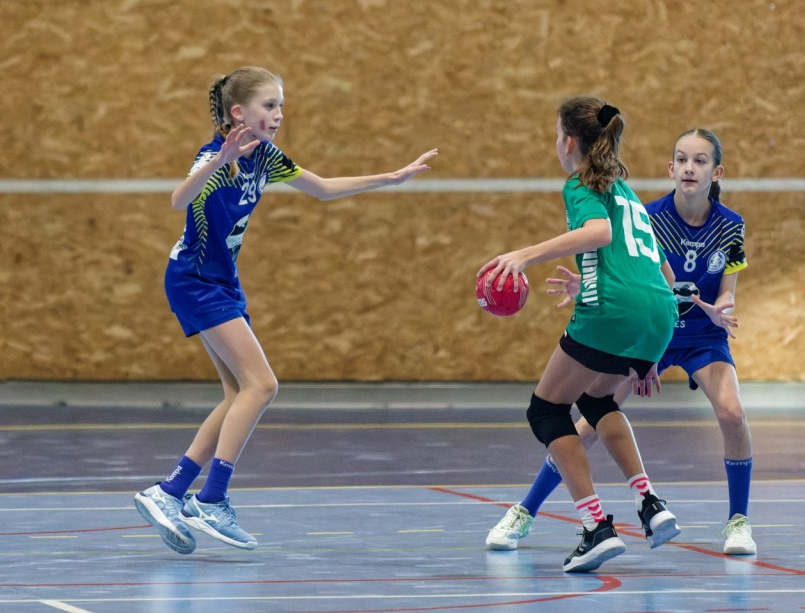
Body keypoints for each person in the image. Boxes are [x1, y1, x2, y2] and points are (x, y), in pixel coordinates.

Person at [133, 66, 437, 553]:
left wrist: (391, 177)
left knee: (238, 393)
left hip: (221, 282)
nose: (278, 115)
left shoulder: (266, 157)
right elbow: (178, 199)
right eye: (269, 105)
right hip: (195, 281)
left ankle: (169, 491)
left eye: (280, 106)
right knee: (263, 385)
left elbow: (322, 188)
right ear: (239, 113)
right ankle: (211, 499)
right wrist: (218, 161)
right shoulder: (216, 156)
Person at [485, 127, 757, 556]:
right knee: (589, 422)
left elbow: (727, 291)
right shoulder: (648, 215)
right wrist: (586, 286)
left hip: (699, 334)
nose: (689, 168)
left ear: (716, 172)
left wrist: (721, 306)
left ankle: (738, 521)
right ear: (670, 168)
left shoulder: (730, 226)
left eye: (700, 161)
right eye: (682, 159)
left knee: (733, 414)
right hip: (651, 332)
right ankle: (526, 510)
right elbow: (630, 271)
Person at [477, 96, 681, 573]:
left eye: (556, 135)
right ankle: (650, 503)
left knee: (546, 411)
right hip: (659, 312)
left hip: (613, 312)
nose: (556, 143)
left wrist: (525, 255)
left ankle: (596, 528)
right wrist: (649, 346)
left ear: (570, 142)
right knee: (597, 401)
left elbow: (598, 233)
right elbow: (660, 271)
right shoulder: (626, 192)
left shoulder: (581, 184)